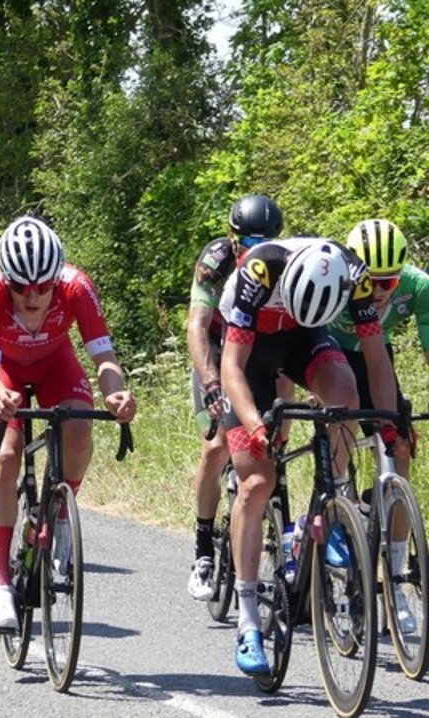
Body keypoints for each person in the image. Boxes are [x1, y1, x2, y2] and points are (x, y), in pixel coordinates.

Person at [219, 237, 401, 675]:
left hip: (305, 339)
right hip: (249, 350)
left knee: (345, 397)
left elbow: (376, 358)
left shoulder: (353, 274)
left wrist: (390, 423)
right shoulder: (259, 271)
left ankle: (327, 506)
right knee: (257, 483)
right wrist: (256, 426)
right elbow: (232, 367)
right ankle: (248, 621)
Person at [0, 217, 136, 630]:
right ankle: (0, 583)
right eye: (20, 287)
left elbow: (104, 358)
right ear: (6, 279)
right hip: (3, 374)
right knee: (6, 454)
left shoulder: (77, 287)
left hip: (54, 365)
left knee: (78, 428)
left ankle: (59, 511)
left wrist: (116, 393)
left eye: (43, 286)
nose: (32, 295)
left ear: (56, 278)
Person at [185, 194, 291, 601]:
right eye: (246, 244)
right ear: (232, 239)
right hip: (217, 348)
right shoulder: (216, 260)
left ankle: (281, 546)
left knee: (275, 439)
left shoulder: (284, 260)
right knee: (216, 446)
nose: (254, 252)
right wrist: (211, 381)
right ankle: (203, 548)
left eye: (263, 243)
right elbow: (197, 325)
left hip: (260, 348)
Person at [331, 218, 423, 634]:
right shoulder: (335, 280)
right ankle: (340, 509)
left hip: (377, 358)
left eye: (391, 281)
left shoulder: (418, 287)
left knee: (399, 450)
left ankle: (398, 582)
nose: (382, 291)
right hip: (331, 355)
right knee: (340, 431)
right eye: (373, 280)